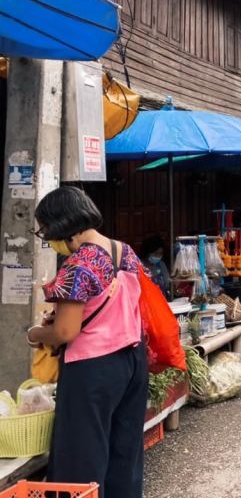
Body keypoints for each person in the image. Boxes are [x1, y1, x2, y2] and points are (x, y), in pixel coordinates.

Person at [27, 187, 147, 497]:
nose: (48, 239)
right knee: (124, 454)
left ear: (62, 225)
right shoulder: (124, 251)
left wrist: (35, 334)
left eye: (46, 231)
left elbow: (65, 333)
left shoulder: (78, 265)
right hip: (133, 360)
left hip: (92, 369)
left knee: (81, 458)